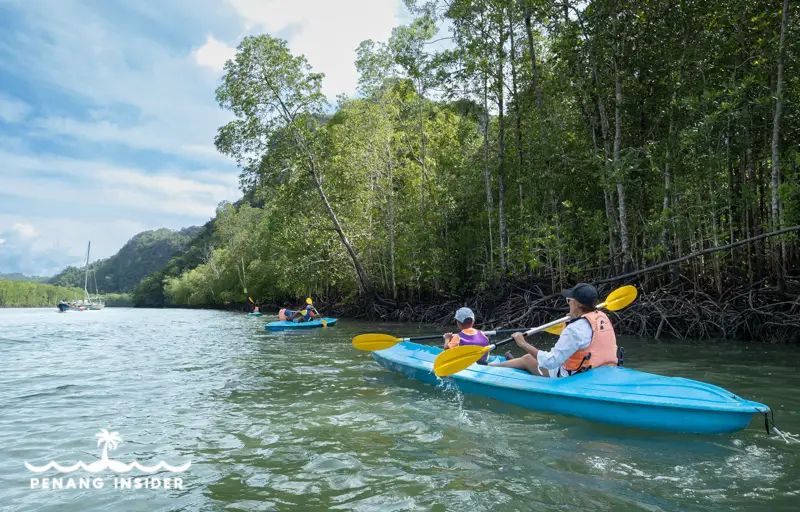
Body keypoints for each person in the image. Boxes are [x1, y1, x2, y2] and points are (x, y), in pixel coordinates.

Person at [488, 283, 618, 378]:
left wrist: (523, 343)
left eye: (569, 300)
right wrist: (575, 317)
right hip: (603, 370)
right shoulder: (601, 316)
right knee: (529, 359)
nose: (568, 303)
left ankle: (489, 368)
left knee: (527, 358)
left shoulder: (575, 329)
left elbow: (551, 362)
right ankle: (514, 362)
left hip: (575, 375)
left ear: (578, 304)